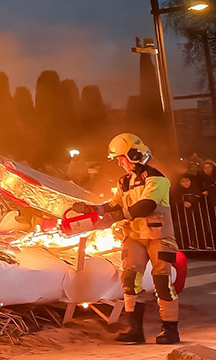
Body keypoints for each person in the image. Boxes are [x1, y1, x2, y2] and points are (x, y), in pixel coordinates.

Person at [74, 133, 180, 344]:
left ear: (133, 155)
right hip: (134, 236)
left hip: (159, 237)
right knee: (130, 279)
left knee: (162, 281)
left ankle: (170, 330)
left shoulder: (157, 178)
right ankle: (135, 330)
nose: (119, 163)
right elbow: (114, 203)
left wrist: (116, 216)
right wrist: (93, 209)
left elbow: (146, 205)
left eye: (121, 158)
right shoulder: (124, 182)